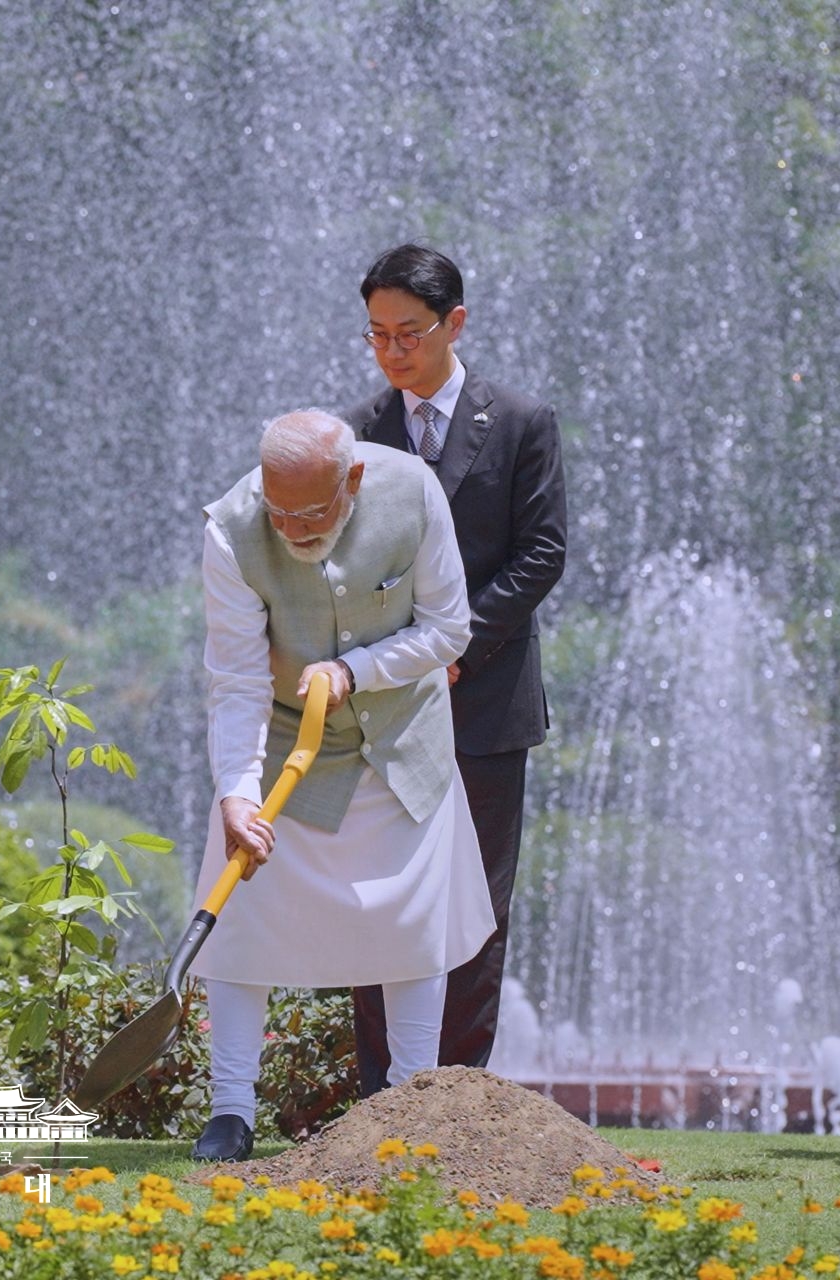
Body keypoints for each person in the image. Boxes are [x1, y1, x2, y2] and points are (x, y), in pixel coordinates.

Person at [189, 410, 495, 1161]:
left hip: (401, 737)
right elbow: (234, 679)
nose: (292, 531)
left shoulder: (414, 492)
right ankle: (230, 1112)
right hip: (289, 744)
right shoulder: (231, 530)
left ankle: (410, 1099)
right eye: (279, 512)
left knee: (409, 927)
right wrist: (235, 790)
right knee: (242, 922)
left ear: (351, 479)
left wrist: (357, 671)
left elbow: (449, 629)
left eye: (312, 512)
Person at [343, 244, 567, 1095]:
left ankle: (459, 1095)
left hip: (486, 699)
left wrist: (454, 646)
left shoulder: (518, 421)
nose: (394, 352)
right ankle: (381, 1094)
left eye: (410, 333)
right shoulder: (359, 430)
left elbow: (542, 552)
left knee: (479, 901)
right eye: (377, 335)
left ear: (455, 324)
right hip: (388, 703)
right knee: (380, 893)